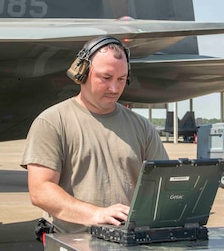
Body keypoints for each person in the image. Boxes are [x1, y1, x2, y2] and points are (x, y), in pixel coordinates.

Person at [20, 35, 169, 236]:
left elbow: (164, 184)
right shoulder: (52, 122)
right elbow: (40, 191)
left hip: (129, 241)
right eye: (106, 78)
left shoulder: (142, 127)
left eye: (121, 79)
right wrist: (96, 214)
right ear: (81, 73)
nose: (114, 88)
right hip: (74, 241)